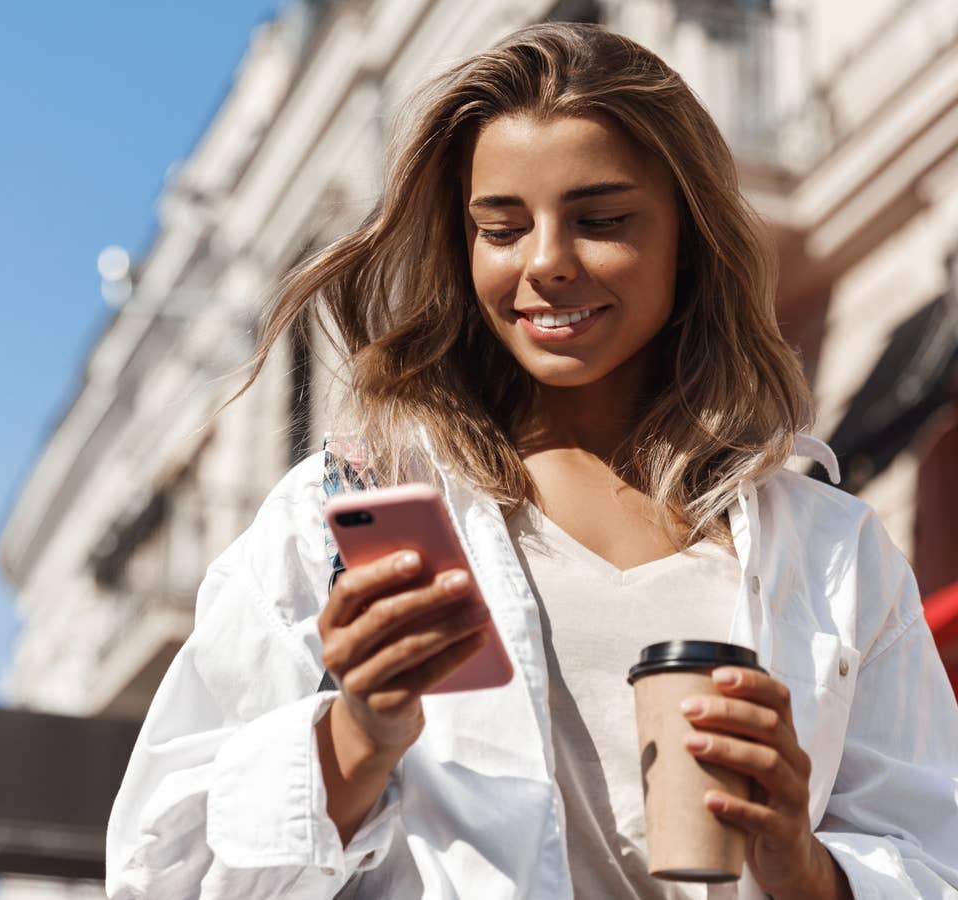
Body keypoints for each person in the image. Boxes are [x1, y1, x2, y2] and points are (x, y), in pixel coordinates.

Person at [105, 22, 958, 900]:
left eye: (601, 220)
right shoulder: (354, 514)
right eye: (502, 229)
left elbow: (937, 857)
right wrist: (357, 736)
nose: (545, 263)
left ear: (687, 234)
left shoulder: (829, 549)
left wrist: (808, 870)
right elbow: (162, 872)